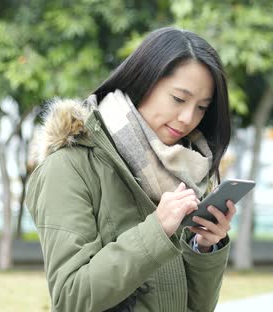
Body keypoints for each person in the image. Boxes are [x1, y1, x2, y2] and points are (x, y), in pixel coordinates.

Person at [25, 27, 234, 312]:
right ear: (143, 82)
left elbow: (196, 308)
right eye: (178, 99)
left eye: (201, 107)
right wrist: (157, 230)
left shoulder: (186, 171)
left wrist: (204, 246)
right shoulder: (68, 166)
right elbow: (70, 298)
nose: (188, 119)